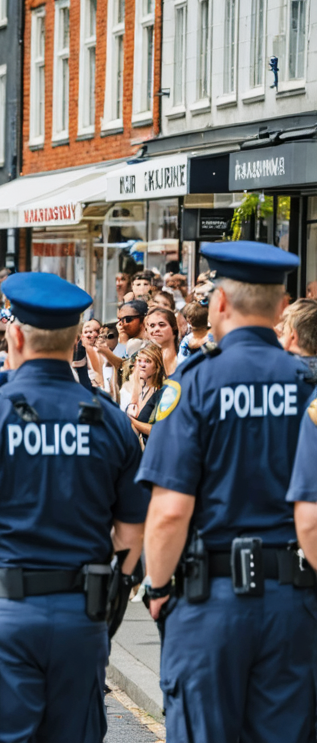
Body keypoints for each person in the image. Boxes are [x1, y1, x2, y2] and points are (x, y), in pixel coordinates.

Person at [0, 272, 147, 743]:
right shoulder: (108, 419)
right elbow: (131, 533)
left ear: (17, 335)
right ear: (73, 341)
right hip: (80, 618)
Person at [139, 241, 317, 741]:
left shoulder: (194, 384)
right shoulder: (309, 389)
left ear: (219, 303)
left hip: (209, 599)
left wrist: (157, 588)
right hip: (293, 599)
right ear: (281, 308)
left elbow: (170, 511)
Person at [123, 344, 166, 442]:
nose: (142, 365)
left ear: (157, 367)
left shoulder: (161, 393)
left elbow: (158, 431)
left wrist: (131, 421)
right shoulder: (139, 388)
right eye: (139, 361)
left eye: (148, 361)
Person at [143, 307, 180, 377]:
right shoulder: (144, 361)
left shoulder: (185, 356)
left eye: (162, 325)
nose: (156, 329)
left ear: (174, 327)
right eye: (152, 326)